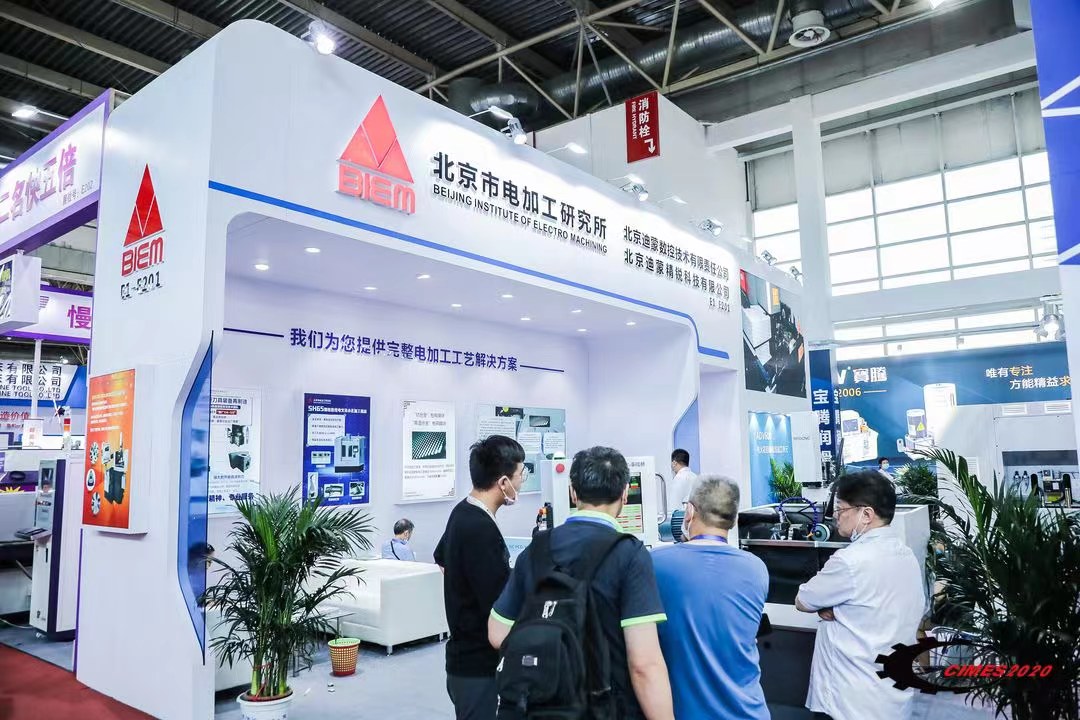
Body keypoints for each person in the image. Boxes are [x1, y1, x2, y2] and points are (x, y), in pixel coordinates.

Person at [489, 446, 674, 720]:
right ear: (624, 493)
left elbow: (497, 632)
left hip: (540, 706)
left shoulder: (537, 550)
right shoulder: (630, 554)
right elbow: (644, 664)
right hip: (605, 708)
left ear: (573, 492)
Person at [795, 471, 925, 720]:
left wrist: (832, 607)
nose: (835, 516)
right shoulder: (906, 555)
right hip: (891, 699)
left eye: (840, 509)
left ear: (866, 514)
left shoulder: (849, 561)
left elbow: (803, 600)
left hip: (849, 703)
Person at [653, 475, 769, 720]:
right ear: (733, 519)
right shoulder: (756, 568)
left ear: (689, 511)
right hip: (750, 712)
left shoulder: (656, 564)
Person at [434, 435, 526, 720]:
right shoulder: (480, 529)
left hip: (462, 656)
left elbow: (442, 558)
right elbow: (499, 603)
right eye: (521, 474)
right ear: (503, 482)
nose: (522, 481)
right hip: (477, 666)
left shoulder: (462, 511)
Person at [669, 449, 697, 513]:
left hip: (682, 517)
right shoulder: (695, 477)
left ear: (674, 463)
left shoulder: (678, 478)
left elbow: (673, 507)